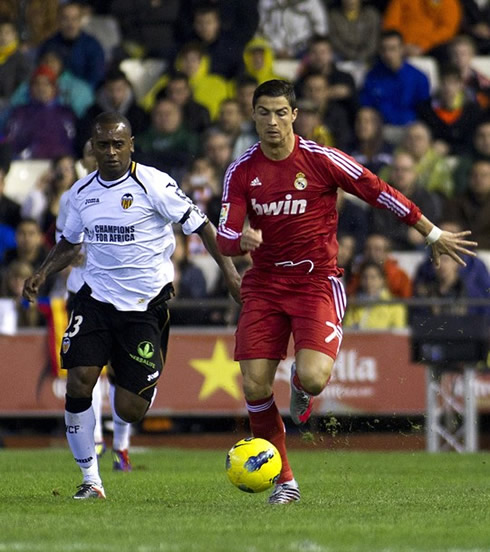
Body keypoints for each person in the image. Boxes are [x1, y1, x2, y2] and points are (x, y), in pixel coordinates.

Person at [216, 79, 476, 504]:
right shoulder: (242, 170)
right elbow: (224, 233)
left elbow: (377, 190)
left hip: (317, 282)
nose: (273, 122)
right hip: (263, 286)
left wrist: (429, 233)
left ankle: (300, 384)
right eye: (263, 113)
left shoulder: (321, 159)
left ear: (295, 116)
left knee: (315, 378)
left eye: (281, 113)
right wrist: (239, 241)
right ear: (253, 116)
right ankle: (285, 481)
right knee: (255, 387)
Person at [22, 112, 241, 500]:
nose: (110, 152)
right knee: (79, 381)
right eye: (102, 144)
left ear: (131, 144)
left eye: (117, 144)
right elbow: (71, 242)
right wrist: (42, 272)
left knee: (129, 409)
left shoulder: (154, 184)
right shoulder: (80, 193)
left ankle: (144, 383)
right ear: (92, 147)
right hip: (96, 299)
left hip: (145, 307)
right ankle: (91, 480)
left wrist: (229, 274)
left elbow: (202, 225)